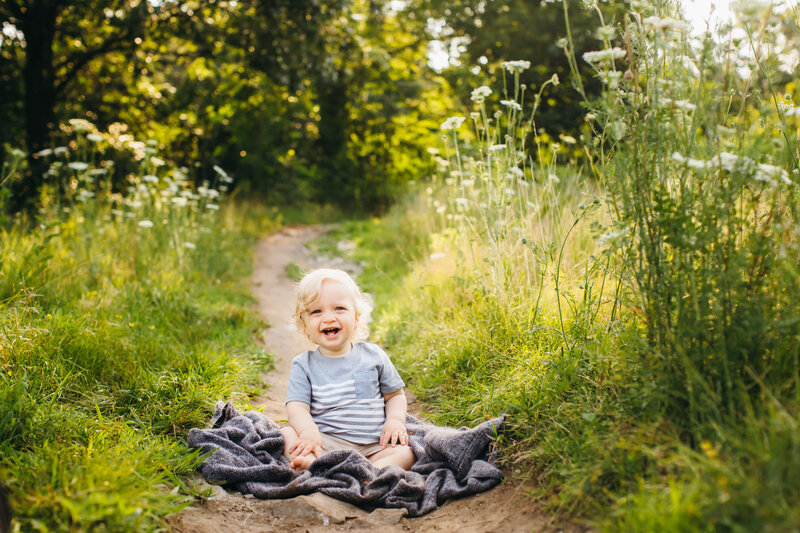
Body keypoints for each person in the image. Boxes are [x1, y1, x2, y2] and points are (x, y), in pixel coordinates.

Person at [281, 268, 415, 472]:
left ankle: (369, 471)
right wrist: (308, 431)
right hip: (326, 444)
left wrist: (395, 421)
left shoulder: (374, 356)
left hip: (373, 446)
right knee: (286, 434)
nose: (328, 318)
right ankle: (316, 465)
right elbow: (297, 407)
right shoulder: (303, 365)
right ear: (304, 324)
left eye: (339, 308)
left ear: (357, 317)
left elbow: (395, 395)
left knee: (405, 453)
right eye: (316, 311)